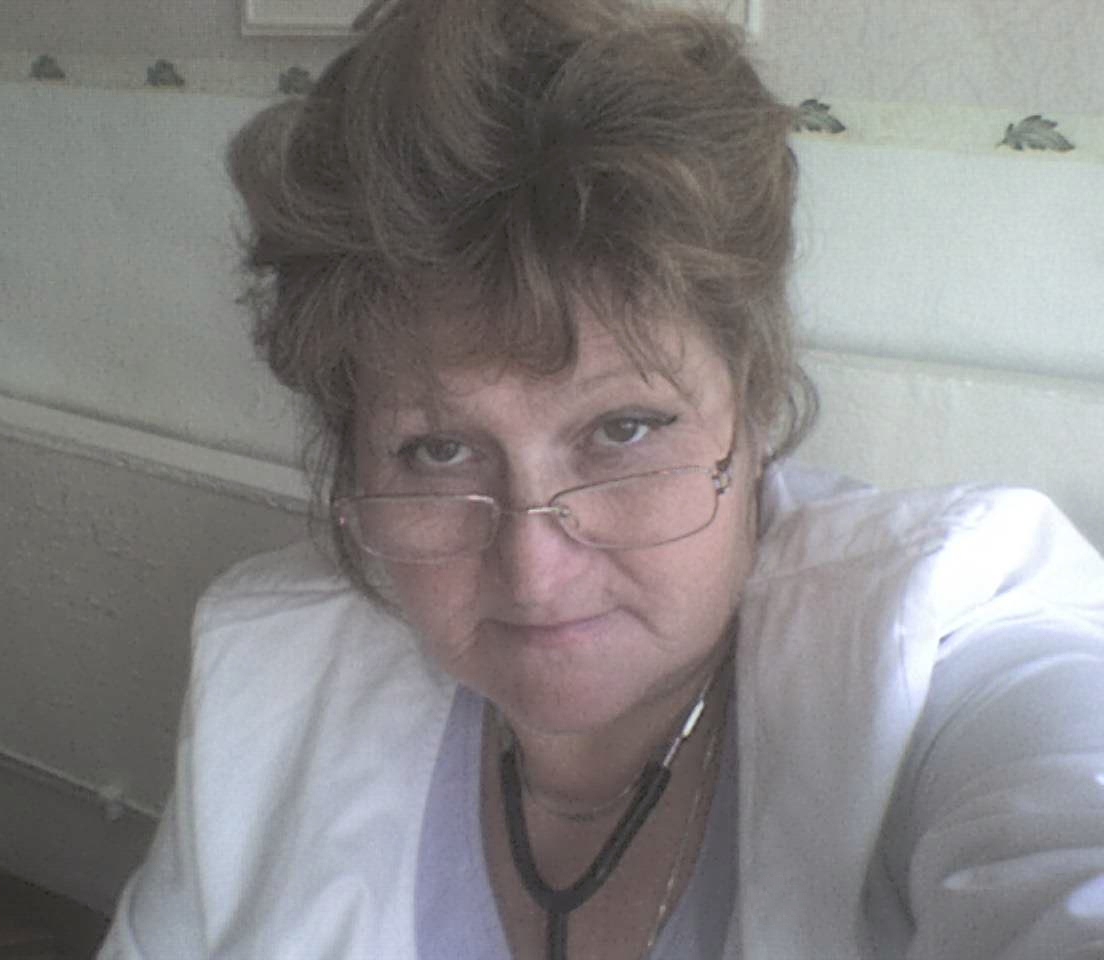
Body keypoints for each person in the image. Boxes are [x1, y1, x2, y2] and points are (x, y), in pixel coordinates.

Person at [98, 1, 1104, 957]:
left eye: (623, 430)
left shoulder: (939, 648)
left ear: (752, 411)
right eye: (437, 451)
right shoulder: (263, 673)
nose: (533, 572)